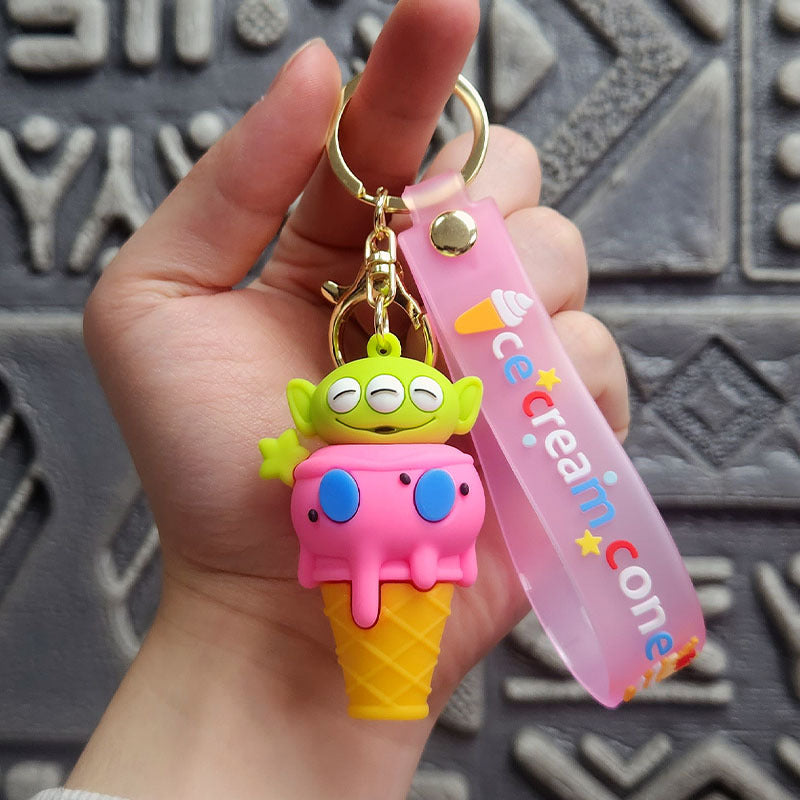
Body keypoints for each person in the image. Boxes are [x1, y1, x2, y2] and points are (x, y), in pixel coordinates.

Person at [31, 0, 629, 797]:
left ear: (460, 408)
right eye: (356, 392)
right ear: (313, 407)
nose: (381, 394)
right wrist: (238, 611)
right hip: (357, 556)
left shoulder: (432, 457)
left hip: (422, 552)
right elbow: (289, 469)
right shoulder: (324, 459)